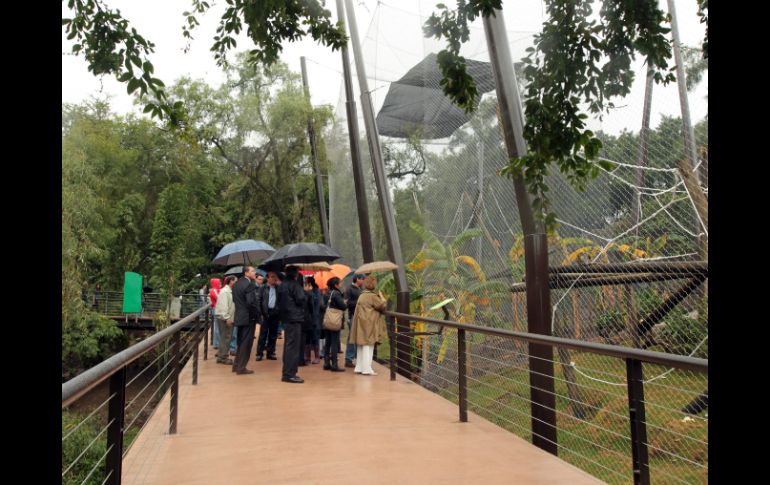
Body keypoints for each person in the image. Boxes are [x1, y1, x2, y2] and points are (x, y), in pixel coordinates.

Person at [349, 275, 387, 376]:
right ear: (373, 284)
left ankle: (359, 367)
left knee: (361, 345)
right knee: (368, 345)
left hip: (361, 323)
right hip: (369, 323)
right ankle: (367, 369)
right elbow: (382, 306)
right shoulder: (372, 296)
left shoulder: (362, 295)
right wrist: (382, 297)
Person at [278, 266, 306, 383]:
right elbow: (300, 299)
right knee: (293, 347)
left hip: (286, 318)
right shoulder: (295, 285)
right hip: (295, 318)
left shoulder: (282, 285)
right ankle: (289, 374)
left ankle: (287, 372)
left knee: (288, 345)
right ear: (296, 274)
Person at [231, 267, 259, 375]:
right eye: (252, 271)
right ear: (246, 273)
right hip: (248, 318)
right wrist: (256, 314)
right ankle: (241, 367)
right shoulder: (249, 285)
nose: (255, 273)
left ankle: (236, 365)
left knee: (240, 341)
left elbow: (235, 300)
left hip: (239, 316)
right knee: (246, 343)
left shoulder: (236, 284)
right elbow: (251, 302)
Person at [322, 277, 346, 372]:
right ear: (336, 285)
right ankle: (335, 365)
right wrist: (344, 302)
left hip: (327, 320)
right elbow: (343, 306)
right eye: (340, 283)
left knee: (328, 341)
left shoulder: (326, 293)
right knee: (334, 342)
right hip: (334, 321)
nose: (341, 284)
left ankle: (326, 363)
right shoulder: (336, 294)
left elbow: (323, 306)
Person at [255, 271, 281, 361]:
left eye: (275, 277)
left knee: (273, 334)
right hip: (265, 313)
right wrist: (260, 314)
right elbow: (258, 300)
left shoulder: (278, 288)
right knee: (263, 334)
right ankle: (259, 353)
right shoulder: (263, 288)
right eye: (272, 277)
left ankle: (270, 352)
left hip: (275, 313)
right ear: (268, 278)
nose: (274, 278)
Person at [214, 276, 236, 365]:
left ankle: (221, 355)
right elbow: (223, 306)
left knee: (226, 337)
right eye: (236, 281)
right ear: (231, 281)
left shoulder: (228, 291)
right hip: (225, 318)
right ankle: (223, 357)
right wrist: (227, 318)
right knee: (226, 338)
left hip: (227, 318)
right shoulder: (225, 292)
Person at [343, 275, 365, 367]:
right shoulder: (349, 289)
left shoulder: (360, 289)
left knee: (358, 337)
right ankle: (348, 359)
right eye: (362, 279)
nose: (363, 281)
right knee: (352, 337)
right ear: (357, 279)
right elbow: (346, 303)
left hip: (360, 316)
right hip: (352, 316)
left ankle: (356, 357)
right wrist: (359, 302)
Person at [209, 278, 222, 349]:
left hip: (218, 309)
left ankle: (217, 343)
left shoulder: (217, 290)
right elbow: (219, 298)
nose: (220, 283)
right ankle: (217, 343)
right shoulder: (213, 290)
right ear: (216, 283)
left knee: (218, 327)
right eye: (219, 282)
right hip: (216, 309)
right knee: (217, 327)